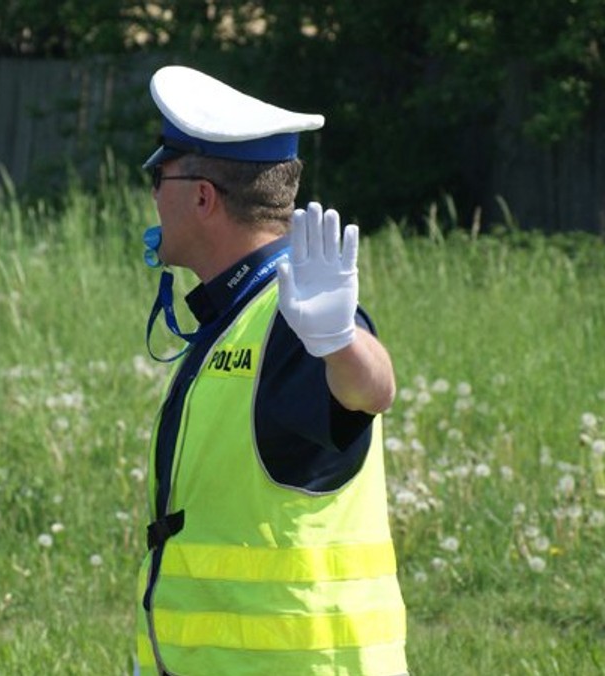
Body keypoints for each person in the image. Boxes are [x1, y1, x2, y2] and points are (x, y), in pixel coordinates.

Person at [133, 65, 408, 675]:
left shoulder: (298, 316)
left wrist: (340, 340)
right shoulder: (240, 312)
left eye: (160, 176)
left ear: (202, 197)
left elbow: (369, 390)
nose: (153, 193)